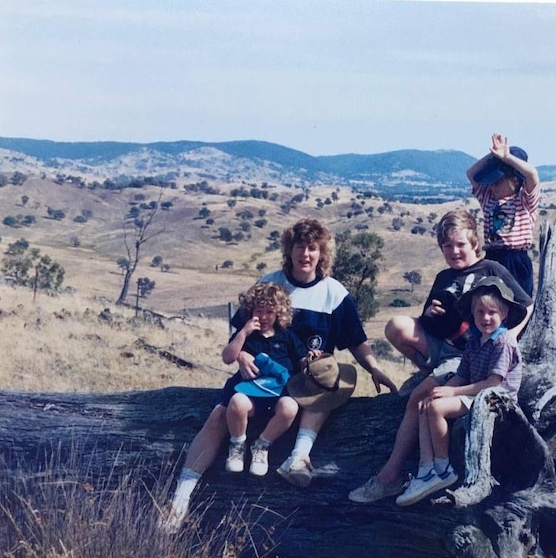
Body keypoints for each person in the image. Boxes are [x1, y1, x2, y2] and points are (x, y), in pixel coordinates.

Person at [162, 218, 397, 531]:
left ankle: (298, 458)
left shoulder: (334, 294)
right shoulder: (270, 284)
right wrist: (243, 355)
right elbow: (239, 335)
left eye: (313, 248)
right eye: (299, 246)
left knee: (327, 385)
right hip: (258, 378)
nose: (305, 254)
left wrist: (374, 368)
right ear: (290, 250)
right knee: (218, 416)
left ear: (322, 253)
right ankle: (180, 500)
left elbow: (355, 340)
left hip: (302, 382)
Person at [348, 209, 532, 503]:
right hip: (444, 346)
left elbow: (526, 303)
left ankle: (391, 476)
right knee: (396, 326)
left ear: (474, 242)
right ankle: (426, 374)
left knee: (417, 400)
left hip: (468, 353)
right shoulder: (444, 276)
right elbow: (428, 319)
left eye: (460, 244)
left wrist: (510, 333)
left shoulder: (492, 270)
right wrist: (429, 314)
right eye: (447, 246)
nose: (454, 251)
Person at [395, 276, 525, 506]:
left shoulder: (502, 342)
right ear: (472, 314)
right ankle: (427, 468)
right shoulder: (474, 340)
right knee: (427, 401)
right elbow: (462, 374)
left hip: (495, 401)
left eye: (492, 312)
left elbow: (493, 384)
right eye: (480, 312)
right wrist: (444, 389)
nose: (485, 318)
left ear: (504, 314)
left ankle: (444, 468)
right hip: (475, 393)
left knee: (436, 409)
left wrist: (451, 393)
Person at [221, 282, 316, 477]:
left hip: (279, 394)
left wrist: (311, 357)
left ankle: (261, 446)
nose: (263, 317)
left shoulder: (286, 336)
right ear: (250, 311)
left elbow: (300, 360)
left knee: (290, 407)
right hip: (251, 394)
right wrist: (243, 333)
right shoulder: (247, 336)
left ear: (279, 313)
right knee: (236, 402)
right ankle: (237, 445)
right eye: (259, 311)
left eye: (270, 312)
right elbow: (227, 357)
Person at [465, 133, 541, 297]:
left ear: (514, 180)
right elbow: (471, 174)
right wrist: (494, 155)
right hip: (493, 256)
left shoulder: (524, 201)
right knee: (491, 300)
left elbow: (532, 175)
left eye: (497, 182)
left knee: (518, 301)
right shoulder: (488, 199)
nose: (493, 187)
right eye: (491, 182)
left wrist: (507, 158)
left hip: (515, 259)